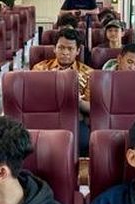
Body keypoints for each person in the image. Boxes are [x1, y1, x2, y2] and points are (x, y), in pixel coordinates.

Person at [31, 28, 91, 156]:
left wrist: (77, 100)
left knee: (85, 142)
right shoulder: (40, 68)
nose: (65, 53)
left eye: (70, 49)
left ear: (78, 51)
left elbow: (91, 106)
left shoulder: (89, 73)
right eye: (61, 48)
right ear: (54, 48)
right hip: (43, 117)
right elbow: (32, 99)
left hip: (74, 119)